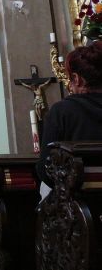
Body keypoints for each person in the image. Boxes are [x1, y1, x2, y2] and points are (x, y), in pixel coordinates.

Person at [36, 41, 102, 186]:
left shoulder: (62, 111)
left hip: (82, 203)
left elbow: (45, 170)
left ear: (77, 79)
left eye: (70, 79)